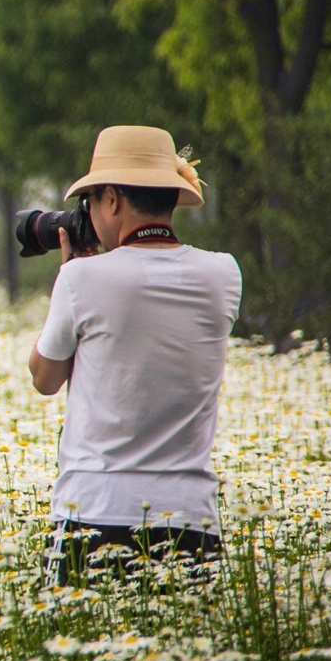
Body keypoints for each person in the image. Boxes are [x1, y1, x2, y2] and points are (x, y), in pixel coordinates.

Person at [27, 125, 243, 584]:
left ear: (110, 200)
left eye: (88, 203)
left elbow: (44, 378)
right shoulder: (224, 274)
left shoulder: (81, 280)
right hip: (192, 520)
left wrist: (71, 274)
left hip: (95, 513)